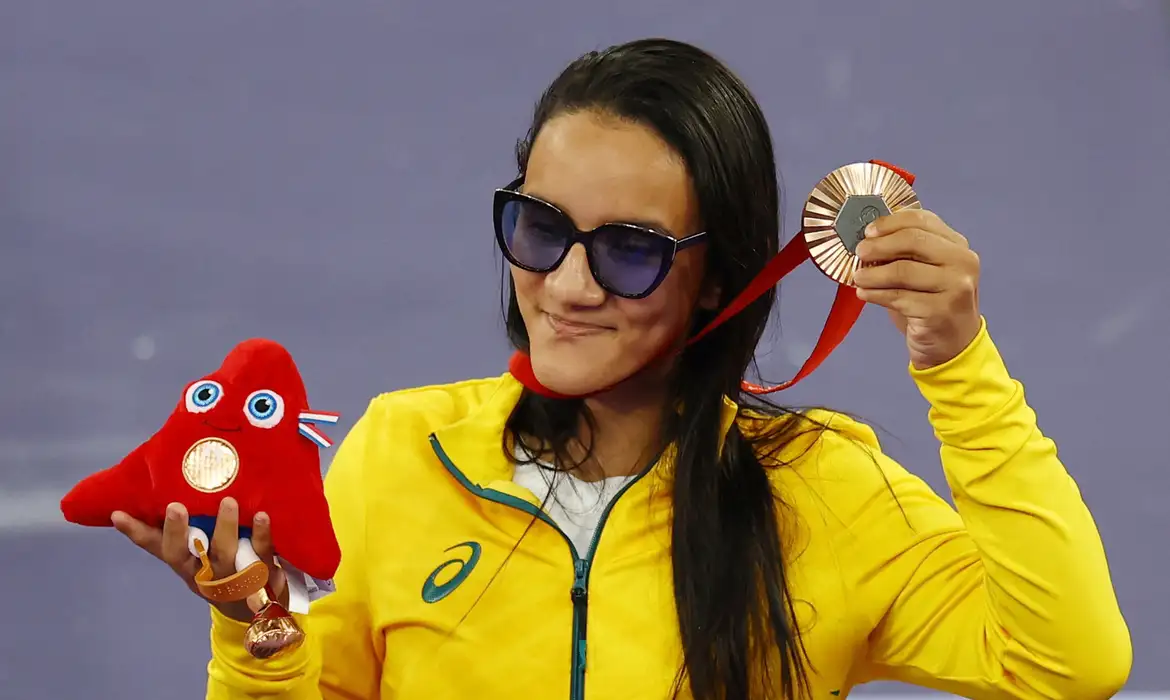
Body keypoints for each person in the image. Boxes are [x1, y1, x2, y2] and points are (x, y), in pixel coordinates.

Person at [111, 38, 1132, 699]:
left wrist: (960, 367)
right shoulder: (398, 452)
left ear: (717, 278)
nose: (569, 285)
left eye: (632, 250)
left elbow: (1070, 662)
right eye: (542, 228)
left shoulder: (823, 490)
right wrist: (260, 640)